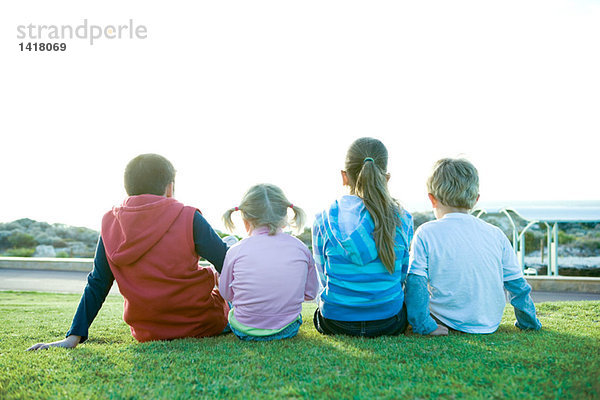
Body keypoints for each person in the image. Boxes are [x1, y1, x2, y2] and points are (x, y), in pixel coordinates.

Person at [28, 154, 231, 350]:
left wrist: (73, 337)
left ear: (128, 188)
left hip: (148, 332)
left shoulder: (110, 223)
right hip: (202, 324)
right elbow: (227, 263)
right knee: (224, 272)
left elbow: (98, 283)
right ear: (170, 188)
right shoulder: (188, 216)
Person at [405, 158, 542, 335]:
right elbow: (517, 286)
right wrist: (529, 322)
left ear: (432, 199)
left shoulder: (426, 232)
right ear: (476, 199)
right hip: (489, 323)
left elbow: (416, 284)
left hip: (443, 320)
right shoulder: (496, 234)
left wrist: (424, 326)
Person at [312, 137, 420, 337]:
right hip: (389, 321)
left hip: (336, 322)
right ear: (386, 178)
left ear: (344, 176)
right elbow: (402, 275)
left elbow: (323, 274)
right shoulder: (403, 218)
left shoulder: (323, 219)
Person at [219, 183, 318, 341]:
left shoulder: (235, 251)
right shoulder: (301, 248)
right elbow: (310, 294)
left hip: (244, 330)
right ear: (285, 216)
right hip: (288, 328)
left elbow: (226, 294)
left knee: (231, 308)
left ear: (245, 220)